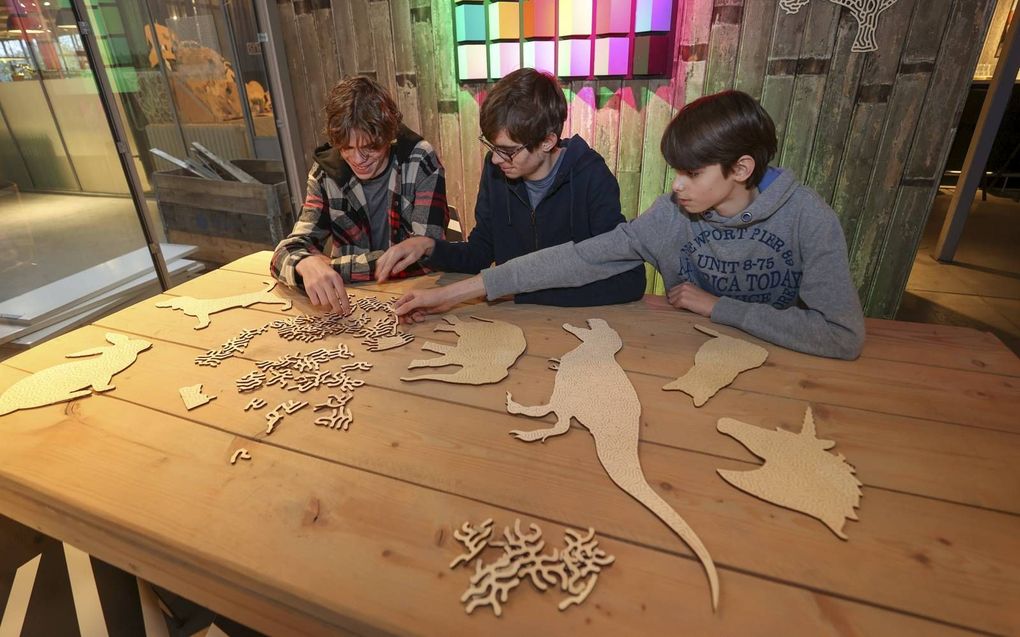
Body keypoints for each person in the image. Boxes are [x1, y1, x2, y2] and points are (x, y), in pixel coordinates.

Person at [391, 90, 866, 360]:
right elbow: (581, 257)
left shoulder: (809, 220)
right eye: (676, 171)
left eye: (692, 173)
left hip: (784, 361)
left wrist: (719, 306)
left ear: (740, 169)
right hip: (690, 353)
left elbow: (843, 337)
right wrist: (447, 295)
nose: (677, 187)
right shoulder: (672, 213)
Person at [374, 68, 645, 306]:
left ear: (547, 142)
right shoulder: (496, 170)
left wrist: (519, 291)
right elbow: (480, 253)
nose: (495, 158)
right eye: (492, 146)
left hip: (576, 326)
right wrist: (429, 247)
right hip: (513, 320)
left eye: (507, 151)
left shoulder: (591, 176)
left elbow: (628, 280)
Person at [270, 76, 448, 315]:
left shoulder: (419, 159)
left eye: (369, 148)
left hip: (412, 299)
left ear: (389, 136)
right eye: (347, 148)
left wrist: (333, 267)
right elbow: (285, 251)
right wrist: (305, 263)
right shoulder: (326, 172)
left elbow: (427, 254)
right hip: (352, 306)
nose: (358, 159)